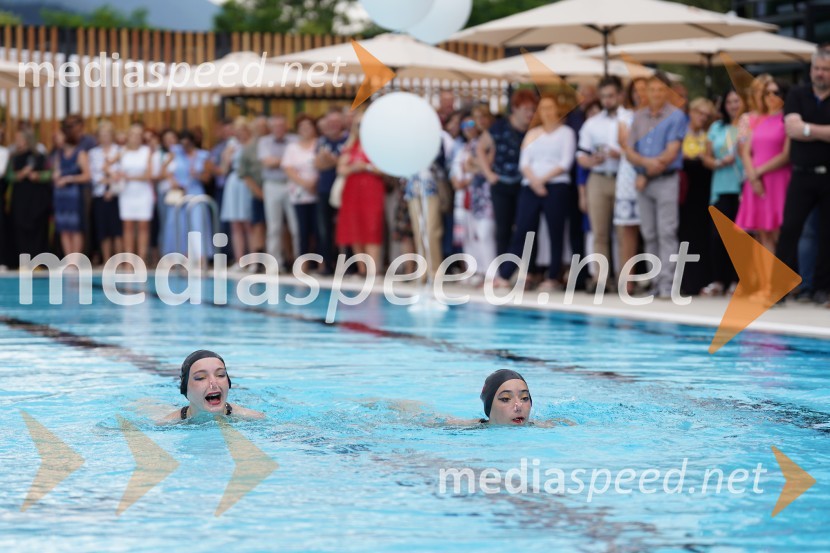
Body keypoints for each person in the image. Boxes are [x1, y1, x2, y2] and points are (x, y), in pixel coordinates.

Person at [495, 94, 576, 291]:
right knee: (522, 230)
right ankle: (505, 274)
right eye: (543, 108)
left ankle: (553, 275)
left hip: (556, 185)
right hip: (530, 186)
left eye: (550, 108)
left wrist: (543, 180)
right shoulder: (533, 133)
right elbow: (524, 162)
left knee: (555, 232)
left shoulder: (566, 133)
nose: (547, 112)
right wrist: (534, 181)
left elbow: (565, 162)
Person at [623, 72, 688, 299]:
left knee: (666, 232)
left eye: (661, 90)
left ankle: (668, 285)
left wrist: (645, 172)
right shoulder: (638, 117)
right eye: (652, 90)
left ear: (667, 92)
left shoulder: (676, 116)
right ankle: (655, 281)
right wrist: (644, 166)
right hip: (643, 182)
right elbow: (629, 150)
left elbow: (670, 153)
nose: (656, 94)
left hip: (665, 180)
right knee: (649, 233)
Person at [779, 44, 830, 307]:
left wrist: (806, 129)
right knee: (789, 229)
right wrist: (822, 131)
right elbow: (791, 129)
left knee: (827, 234)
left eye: (825, 70)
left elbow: (800, 129)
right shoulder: (797, 94)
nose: (820, 73)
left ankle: (821, 288)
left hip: (828, 176)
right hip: (801, 175)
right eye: (817, 68)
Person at [576, 76, 628, 292]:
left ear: (620, 95)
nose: (607, 100)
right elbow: (581, 155)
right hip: (597, 177)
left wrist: (622, 153)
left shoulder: (630, 118)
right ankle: (601, 278)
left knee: (624, 231)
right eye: (604, 96)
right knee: (599, 232)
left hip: (623, 176)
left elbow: (638, 149)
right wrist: (591, 160)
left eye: (611, 96)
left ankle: (625, 279)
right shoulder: (592, 123)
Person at [477, 89, 538, 256]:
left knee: (526, 226)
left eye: (533, 109)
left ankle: (528, 269)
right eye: (526, 109)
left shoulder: (533, 130)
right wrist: (488, 173)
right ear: (516, 108)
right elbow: (481, 147)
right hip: (501, 183)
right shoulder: (500, 126)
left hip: (524, 184)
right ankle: (503, 269)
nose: (530, 113)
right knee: (503, 228)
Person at [736, 77, 790, 257]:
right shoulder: (758, 119)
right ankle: (769, 282)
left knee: (778, 232)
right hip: (755, 180)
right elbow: (745, 152)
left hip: (777, 180)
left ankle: (785, 280)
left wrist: (756, 173)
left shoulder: (788, 120)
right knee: (763, 232)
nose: (770, 96)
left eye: (776, 92)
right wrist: (753, 178)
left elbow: (785, 155)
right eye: (767, 92)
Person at [700, 88, 745, 296]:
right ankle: (719, 280)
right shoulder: (717, 127)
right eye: (730, 102)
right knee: (717, 235)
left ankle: (738, 280)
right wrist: (719, 162)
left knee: (741, 236)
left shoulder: (748, 124)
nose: (733, 106)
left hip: (742, 186)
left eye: (737, 101)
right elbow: (705, 157)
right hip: (720, 187)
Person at [336, 110, 385, 273]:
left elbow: (384, 169)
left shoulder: (378, 145)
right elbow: (341, 169)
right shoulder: (351, 145)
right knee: (354, 228)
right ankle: (362, 269)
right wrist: (352, 168)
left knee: (371, 227)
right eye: (358, 124)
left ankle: (373, 270)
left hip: (372, 190)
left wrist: (366, 167)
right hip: (352, 191)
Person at [678, 97, 716, 295]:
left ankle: (701, 280)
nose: (702, 117)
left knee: (701, 234)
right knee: (685, 234)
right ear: (691, 112)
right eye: (699, 113)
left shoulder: (707, 134)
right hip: (685, 189)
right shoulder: (681, 131)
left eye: (706, 115)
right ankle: (685, 281)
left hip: (703, 188)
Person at [162, 350, 264, 422]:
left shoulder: (253, 418)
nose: (214, 384)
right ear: (185, 388)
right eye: (200, 377)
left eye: (221, 375)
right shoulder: (166, 423)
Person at [259, 115, 298, 271]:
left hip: (292, 184)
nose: (279, 129)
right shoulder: (264, 141)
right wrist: (287, 160)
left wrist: (280, 161)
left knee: (296, 226)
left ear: (286, 126)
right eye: (275, 126)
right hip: (272, 185)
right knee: (274, 226)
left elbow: (296, 161)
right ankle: (274, 264)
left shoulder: (295, 140)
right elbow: (267, 162)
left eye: (281, 125)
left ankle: (300, 263)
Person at [8, 129, 50, 264]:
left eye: (20, 138)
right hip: (20, 199)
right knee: (20, 228)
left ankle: (38, 261)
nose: (17, 142)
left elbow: (50, 173)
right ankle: (22, 261)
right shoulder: (13, 157)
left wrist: (38, 176)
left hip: (37, 199)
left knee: (37, 229)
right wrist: (19, 175)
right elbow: (8, 176)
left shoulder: (39, 156)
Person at [314, 110, 349, 275]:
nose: (333, 126)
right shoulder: (322, 141)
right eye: (330, 122)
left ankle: (349, 265)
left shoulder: (348, 139)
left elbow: (344, 165)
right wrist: (335, 162)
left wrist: (331, 160)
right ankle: (327, 265)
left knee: (345, 228)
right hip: (325, 188)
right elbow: (318, 165)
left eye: (336, 122)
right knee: (324, 228)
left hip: (345, 189)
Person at [282, 114, 320, 260]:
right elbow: (288, 168)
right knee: (301, 229)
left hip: (317, 191)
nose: (305, 129)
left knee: (318, 229)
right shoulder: (292, 147)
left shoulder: (319, 144)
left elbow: (322, 165)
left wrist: (313, 183)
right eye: (302, 127)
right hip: (299, 193)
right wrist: (305, 184)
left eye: (308, 126)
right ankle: (302, 261)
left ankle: (320, 262)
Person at [53, 121, 91, 257]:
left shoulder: (80, 153)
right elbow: (56, 171)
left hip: (75, 195)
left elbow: (87, 175)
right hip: (61, 194)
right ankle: (68, 259)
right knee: (64, 228)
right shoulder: (59, 154)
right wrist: (56, 176)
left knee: (75, 228)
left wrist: (69, 179)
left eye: (59, 136)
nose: (56, 138)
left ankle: (75, 260)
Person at [117, 123, 154, 262]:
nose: (136, 138)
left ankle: (141, 259)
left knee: (143, 226)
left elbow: (148, 175)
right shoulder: (122, 151)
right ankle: (129, 260)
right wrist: (115, 175)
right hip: (127, 192)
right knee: (128, 226)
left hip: (143, 191)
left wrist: (130, 177)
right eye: (133, 134)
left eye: (139, 135)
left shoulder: (146, 151)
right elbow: (107, 165)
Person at [219, 118, 252, 268]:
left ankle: (252, 260)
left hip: (247, 181)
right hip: (233, 181)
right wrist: (226, 156)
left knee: (248, 222)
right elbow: (224, 169)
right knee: (235, 224)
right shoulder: (231, 145)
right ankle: (240, 260)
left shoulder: (252, 144)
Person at [88, 121, 123, 262]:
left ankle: (119, 260)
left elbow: (120, 172)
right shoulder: (93, 153)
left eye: (107, 134)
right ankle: (108, 260)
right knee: (103, 230)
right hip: (100, 194)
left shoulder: (119, 151)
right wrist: (105, 179)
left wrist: (110, 183)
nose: (105, 137)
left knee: (117, 229)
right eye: (102, 135)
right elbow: (94, 174)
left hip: (116, 194)